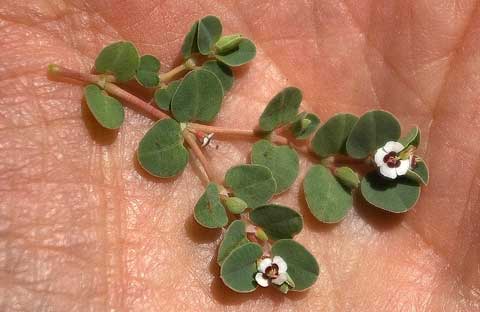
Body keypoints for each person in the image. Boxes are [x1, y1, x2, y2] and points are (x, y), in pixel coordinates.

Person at [0, 1, 479, 311]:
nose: (272, 268)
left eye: (270, 269)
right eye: (272, 269)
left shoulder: (264, 199)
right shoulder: (258, 173)